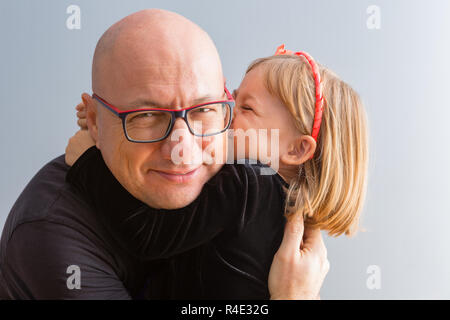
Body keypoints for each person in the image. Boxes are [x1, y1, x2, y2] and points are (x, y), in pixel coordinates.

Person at [0, 9, 328, 299]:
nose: (182, 150)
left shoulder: (242, 178)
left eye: (203, 110)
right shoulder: (51, 239)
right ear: (95, 122)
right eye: (146, 116)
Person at [66, 32, 368, 299]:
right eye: (231, 99)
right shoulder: (284, 207)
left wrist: (87, 161)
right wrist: (109, 120)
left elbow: (149, 236)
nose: (225, 114)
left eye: (246, 108)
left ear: (296, 148)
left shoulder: (248, 183)